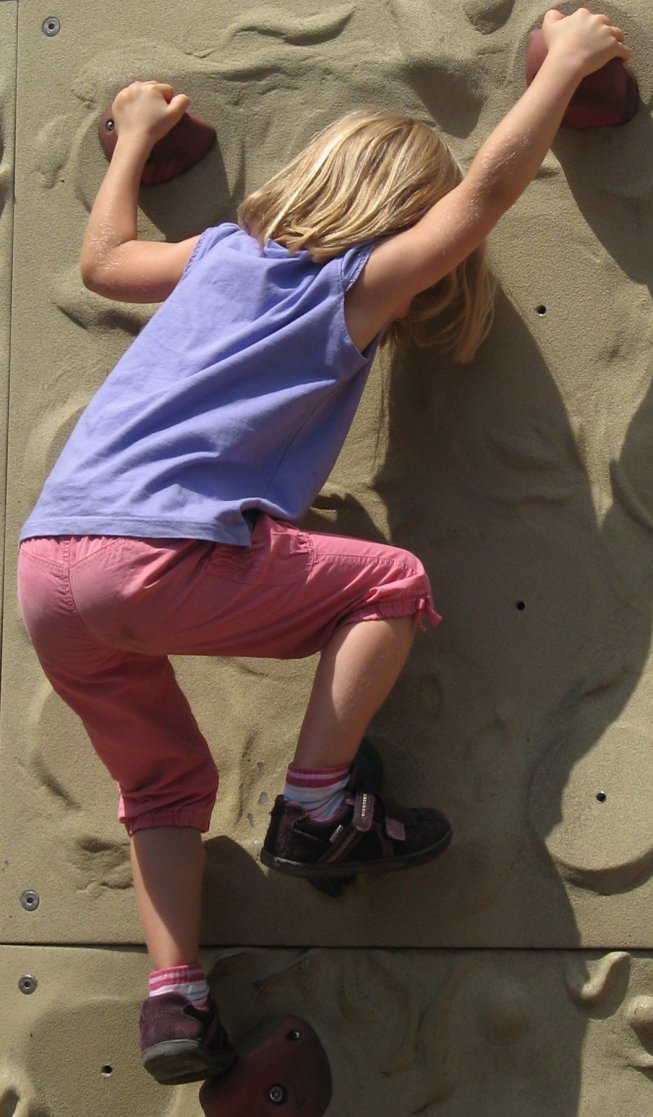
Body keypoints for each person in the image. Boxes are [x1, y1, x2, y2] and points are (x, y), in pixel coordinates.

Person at [17, 7, 628, 1088]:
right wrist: (564, 67)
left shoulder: (216, 258)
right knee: (386, 582)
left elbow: (105, 259)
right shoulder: (347, 289)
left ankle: (172, 997)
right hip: (161, 556)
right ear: (398, 219)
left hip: (50, 568)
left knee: (162, 784)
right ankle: (314, 802)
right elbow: (485, 196)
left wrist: (134, 130)